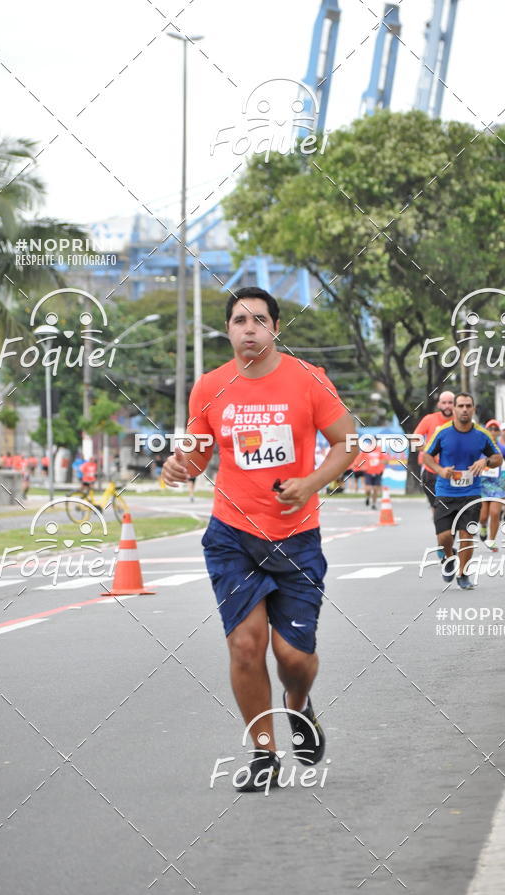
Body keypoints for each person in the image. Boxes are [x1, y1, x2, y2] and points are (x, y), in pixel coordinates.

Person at [161, 286, 358, 792]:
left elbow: (346, 444)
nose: (249, 329)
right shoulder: (209, 388)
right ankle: (264, 752)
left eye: (260, 320)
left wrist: (311, 483)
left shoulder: (308, 380)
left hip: (296, 537)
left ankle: (298, 705)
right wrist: (179, 465)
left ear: (275, 327)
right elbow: (196, 455)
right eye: (239, 320)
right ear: (228, 329)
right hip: (232, 534)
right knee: (246, 647)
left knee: (293, 658)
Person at [423, 393, 502, 589]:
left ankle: (463, 573)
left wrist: (485, 461)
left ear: (473, 409)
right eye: (461, 406)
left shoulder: (482, 434)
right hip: (445, 492)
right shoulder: (442, 432)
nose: (465, 409)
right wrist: (441, 470)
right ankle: (450, 559)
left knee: (467, 535)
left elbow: (498, 457)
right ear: (455, 409)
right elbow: (426, 456)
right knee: (444, 537)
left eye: (468, 406)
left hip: (471, 492)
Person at [414, 390, 455, 558]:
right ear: (439, 404)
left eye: (450, 402)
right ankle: (442, 542)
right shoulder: (429, 419)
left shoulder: (460, 421)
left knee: (452, 510)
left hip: (453, 473)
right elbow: (415, 439)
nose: (447, 406)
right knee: (438, 508)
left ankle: (445, 541)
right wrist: (428, 450)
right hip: (431, 473)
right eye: (444, 402)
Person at [478, 420, 505, 552]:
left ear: (498, 432)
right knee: (482, 517)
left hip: (497, 486)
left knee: (495, 513)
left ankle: (492, 540)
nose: (493, 431)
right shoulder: (479, 447)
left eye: (495, 429)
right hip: (482, 486)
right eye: (490, 429)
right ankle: (483, 527)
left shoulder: (502, 449)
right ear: (486, 431)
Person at [363, 440, 388, 509]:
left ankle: (373, 504)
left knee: (375, 489)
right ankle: (367, 497)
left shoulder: (380, 450)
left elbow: (386, 461)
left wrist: (379, 461)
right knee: (368, 489)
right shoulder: (366, 450)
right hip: (368, 472)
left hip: (377, 472)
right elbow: (361, 459)